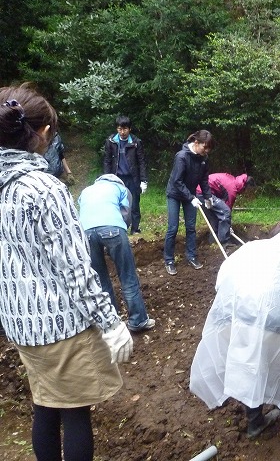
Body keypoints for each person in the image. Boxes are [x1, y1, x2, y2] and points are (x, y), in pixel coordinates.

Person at [0, 84, 133, 461]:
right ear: (42, 134)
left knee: (45, 406)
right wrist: (110, 323)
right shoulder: (43, 188)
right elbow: (75, 269)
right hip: (60, 326)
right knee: (74, 414)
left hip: (20, 323)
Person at [190, 222, 280, 451]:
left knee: (248, 362)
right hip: (274, 316)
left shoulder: (248, 249)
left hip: (231, 313)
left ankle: (255, 423)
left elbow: (220, 283)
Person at [78, 174, 155, 332]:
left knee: (100, 279)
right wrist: (120, 232)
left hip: (86, 234)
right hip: (112, 228)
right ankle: (138, 321)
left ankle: (112, 321)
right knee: (127, 276)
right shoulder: (121, 188)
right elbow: (126, 213)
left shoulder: (86, 191)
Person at [163, 130, 215, 275]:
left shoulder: (204, 158)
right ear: (196, 143)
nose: (206, 151)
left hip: (190, 194)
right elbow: (177, 181)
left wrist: (208, 197)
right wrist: (191, 198)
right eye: (205, 147)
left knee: (191, 227)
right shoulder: (182, 156)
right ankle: (169, 260)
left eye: (208, 149)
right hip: (175, 193)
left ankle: (191, 256)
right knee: (173, 227)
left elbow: (204, 180)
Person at [103, 115, 148, 235]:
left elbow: (141, 161)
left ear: (130, 129)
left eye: (125, 129)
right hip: (117, 178)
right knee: (117, 203)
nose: (122, 132)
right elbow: (107, 160)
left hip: (132, 178)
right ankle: (120, 228)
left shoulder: (136, 142)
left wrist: (143, 180)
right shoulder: (111, 141)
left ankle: (135, 229)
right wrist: (106, 178)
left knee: (134, 204)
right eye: (119, 129)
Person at [196, 172, 255, 246]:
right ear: (245, 186)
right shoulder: (232, 189)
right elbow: (227, 209)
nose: (246, 193)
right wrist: (228, 225)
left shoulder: (233, 181)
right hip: (203, 193)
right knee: (225, 212)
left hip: (201, 191)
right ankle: (225, 242)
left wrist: (227, 224)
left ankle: (214, 243)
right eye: (247, 190)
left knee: (215, 218)